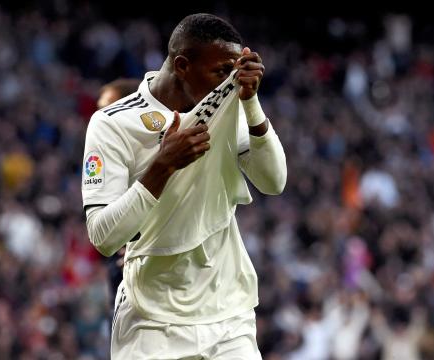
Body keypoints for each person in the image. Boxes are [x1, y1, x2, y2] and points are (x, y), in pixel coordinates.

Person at [82, 13, 287, 359]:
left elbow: (274, 181)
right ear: (182, 65)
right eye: (221, 72)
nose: (229, 83)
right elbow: (103, 237)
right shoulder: (113, 124)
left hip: (227, 312)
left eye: (233, 72)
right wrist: (162, 166)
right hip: (152, 320)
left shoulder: (229, 107)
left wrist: (251, 103)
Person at [94, 77, 142, 312]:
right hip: (121, 277)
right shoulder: (105, 160)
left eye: (107, 109)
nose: (99, 118)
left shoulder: (156, 155)